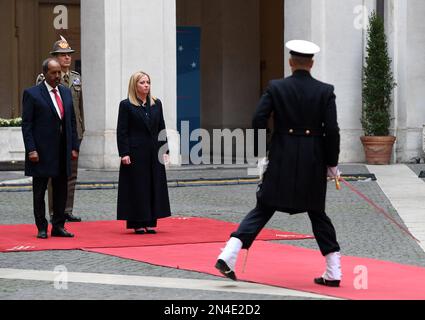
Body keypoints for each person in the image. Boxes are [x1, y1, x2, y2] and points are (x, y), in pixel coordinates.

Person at [215, 40, 342, 287]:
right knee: (317, 212)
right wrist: (332, 163)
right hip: (313, 159)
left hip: (281, 156)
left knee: (264, 206)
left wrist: (261, 152)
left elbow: (257, 119)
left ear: (290, 62)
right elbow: (333, 131)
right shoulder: (325, 91)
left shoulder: (276, 87)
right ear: (312, 64)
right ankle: (334, 270)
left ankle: (228, 255)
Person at [22, 58, 79, 239]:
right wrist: (31, 149)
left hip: (62, 150)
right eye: (53, 73)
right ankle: (41, 227)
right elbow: (27, 125)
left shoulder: (66, 92)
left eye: (59, 73)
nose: (57, 76)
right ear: (45, 73)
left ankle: (59, 226)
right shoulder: (32, 94)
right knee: (40, 191)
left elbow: (71, 121)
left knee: (61, 189)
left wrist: (74, 146)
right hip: (40, 152)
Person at [36, 36, 84, 223]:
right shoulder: (45, 78)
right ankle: (55, 212)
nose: (67, 58)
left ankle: (67, 209)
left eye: (69, 55)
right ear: (54, 57)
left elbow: (80, 107)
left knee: (71, 174)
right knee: (52, 175)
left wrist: (82, 130)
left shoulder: (76, 78)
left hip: (73, 133)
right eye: (63, 55)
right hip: (53, 134)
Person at [116, 71, 171, 234]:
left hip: (153, 152)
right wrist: (124, 153)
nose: (146, 85)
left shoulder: (156, 103)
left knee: (152, 186)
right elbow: (122, 131)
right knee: (137, 187)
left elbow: (161, 127)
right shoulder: (126, 105)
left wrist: (165, 150)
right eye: (142, 82)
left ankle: (150, 220)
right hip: (135, 153)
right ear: (135, 85)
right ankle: (136, 222)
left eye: (148, 82)